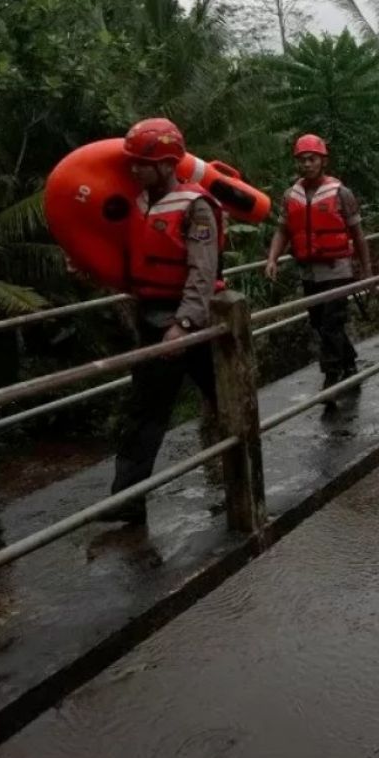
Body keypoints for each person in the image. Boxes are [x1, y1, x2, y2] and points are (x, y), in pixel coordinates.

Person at [105, 118, 224, 525]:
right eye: (133, 162)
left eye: (143, 163)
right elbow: (127, 256)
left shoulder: (197, 205)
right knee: (144, 411)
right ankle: (126, 500)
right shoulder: (137, 202)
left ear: (167, 164)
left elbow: (203, 271)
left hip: (194, 324)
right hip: (151, 319)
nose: (134, 169)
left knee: (225, 398)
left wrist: (185, 324)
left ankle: (244, 470)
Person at [265, 134, 372, 408]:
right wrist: (272, 259)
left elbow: (357, 233)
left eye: (311, 159)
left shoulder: (340, 193)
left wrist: (367, 269)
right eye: (301, 160)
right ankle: (349, 362)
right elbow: (283, 231)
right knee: (319, 323)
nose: (306, 164)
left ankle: (331, 379)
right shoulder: (291, 196)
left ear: (323, 161)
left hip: (337, 269)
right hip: (309, 272)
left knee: (331, 323)